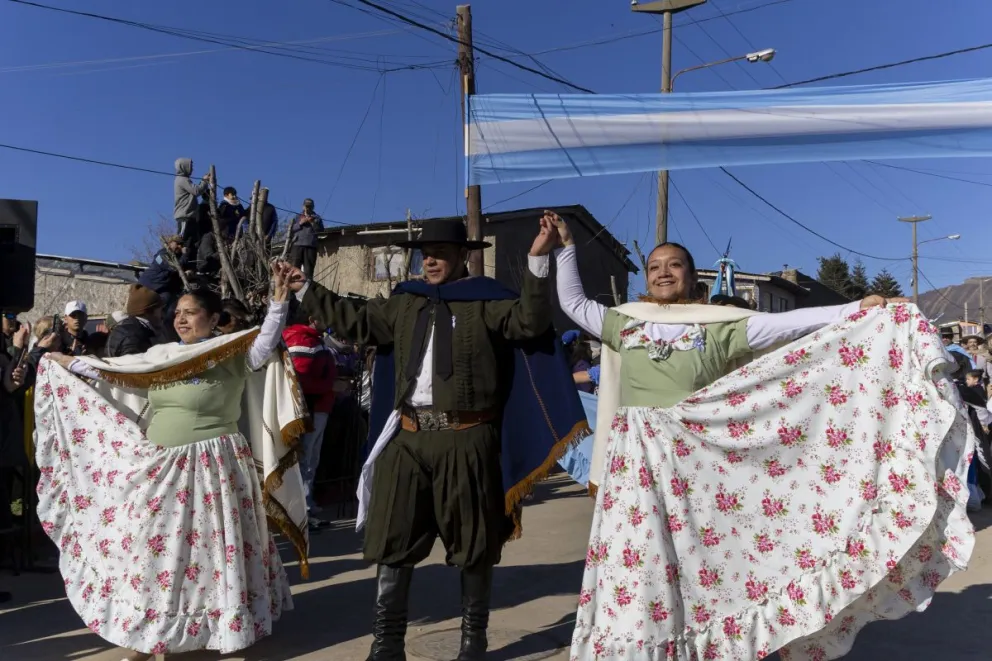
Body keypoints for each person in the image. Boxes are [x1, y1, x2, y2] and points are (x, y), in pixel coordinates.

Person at [546, 210, 972, 661]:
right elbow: (572, 302)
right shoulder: (624, 323)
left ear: (692, 276)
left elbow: (793, 324)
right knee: (639, 556)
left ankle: (708, 644)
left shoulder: (718, 325)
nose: (663, 272)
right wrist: (565, 247)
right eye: (654, 267)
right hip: (636, 458)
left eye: (674, 265)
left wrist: (855, 311)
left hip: (695, 459)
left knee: (698, 557)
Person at [275, 216, 587, 661]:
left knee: (474, 545)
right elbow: (355, 321)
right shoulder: (405, 302)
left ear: (463, 256)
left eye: (441, 253)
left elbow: (530, 322)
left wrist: (538, 258)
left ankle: (473, 643)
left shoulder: (487, 302)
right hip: (407, 438)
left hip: (468, 438)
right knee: (392, 541)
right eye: (426, 255)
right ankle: (387, 646)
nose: (431, 261)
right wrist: (305, 287)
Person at [39, 272, 307, 660]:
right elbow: (114, 372)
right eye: (178, 312)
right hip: (163, 467)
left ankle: (208, 627)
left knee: (203, 555)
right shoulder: (160, 356)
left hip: (212, 467)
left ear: (213, 319)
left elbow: (266, 342)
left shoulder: (232, 353)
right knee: (155, 552)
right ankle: (151, 633)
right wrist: (67, 362)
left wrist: (278, 302)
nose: (181, 319)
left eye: (191, 313)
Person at [283, 307, 337, 528]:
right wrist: (329, 385)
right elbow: (300, 379)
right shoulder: (301, 339)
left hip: (319, 405)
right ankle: (302, 507)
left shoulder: (314, 339)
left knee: (311, 458)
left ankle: (307, 501)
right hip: (310, 407)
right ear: (313, 318)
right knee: (304, 458)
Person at [106, 284, 165, 358]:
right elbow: (134, 364)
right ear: (148, 311)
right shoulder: (134, 336)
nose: (163, 315)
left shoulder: (129, 329)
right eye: (160, 310)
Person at [173, 158, 212, 247]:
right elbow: (196, 191)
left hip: (189, 216)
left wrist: (203, 182)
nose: (192, 169)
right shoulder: (182, 179)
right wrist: (204, 181)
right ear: (184, 167)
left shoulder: (184, 179)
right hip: (184, 216)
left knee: (191, 242)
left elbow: (195, 189)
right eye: (190, 166)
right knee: (182, 241)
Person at [289, 199, 324, 279]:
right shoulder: (297, 217)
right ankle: (293, 286)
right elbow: (291, 229)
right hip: (297, 245)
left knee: (308, 271)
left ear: (313, 207)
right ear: (303, 206)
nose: (308, 208)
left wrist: (312, 222)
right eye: (306, 206)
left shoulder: (317, 218)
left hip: (310, 247)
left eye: (310, 207)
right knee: (294, 269)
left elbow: (321, 231)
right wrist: (300, 223)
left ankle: (307, 286)